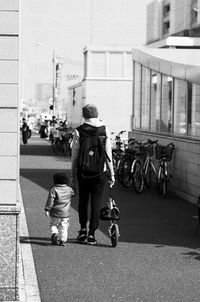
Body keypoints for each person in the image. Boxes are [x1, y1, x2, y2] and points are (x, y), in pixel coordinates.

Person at [70, 104, 115, 245]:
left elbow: (75, 156)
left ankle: (83, 230)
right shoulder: (104, 129)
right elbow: (108, 154)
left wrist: (73, 176)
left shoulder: (79, 131)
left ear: (84, 115)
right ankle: (92, 235)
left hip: (83, 172)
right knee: (96, 203)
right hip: (99, 173)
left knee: (83, 202)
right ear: (97, 114)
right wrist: (112, 174)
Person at [44, 172, 75, 246]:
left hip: (55, 212)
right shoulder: (69, 189)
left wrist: (47, 209)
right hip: (65, 213)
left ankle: (55, 233)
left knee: (53, 225)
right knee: (64, 226)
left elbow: (50, 200)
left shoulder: (54, 189)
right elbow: (73, 194)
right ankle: (63, 240)